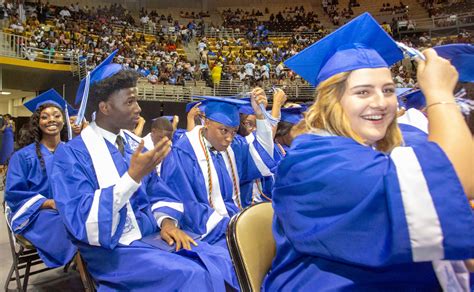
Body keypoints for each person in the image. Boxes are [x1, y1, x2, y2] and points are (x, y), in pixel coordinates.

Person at [265, 13, 474, 291]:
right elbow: (459, 178)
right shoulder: (314, 159)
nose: (381, 102)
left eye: (388, 90)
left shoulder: (399, 139)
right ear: (332, 101)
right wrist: (439, 94)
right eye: (363, 92)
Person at [51, 52, 238, 291]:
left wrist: (168, 224)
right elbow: (84, 223)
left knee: (222, 257)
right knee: (192, 275)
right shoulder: (71, 155)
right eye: (130, 102)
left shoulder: (130, 145)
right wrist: (132, 177)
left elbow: (161, 193)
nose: (139, 108)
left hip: (153, 237)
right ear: (104, 107)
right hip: (115, 251)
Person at [161, 93, 277, 247]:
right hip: (204, 231)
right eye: (223, 130)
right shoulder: (184, 152)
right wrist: (232, 227)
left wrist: (261, 115)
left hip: (233, 221)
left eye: (234, 131)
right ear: (206, 122)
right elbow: (187, 203)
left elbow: (262, 160)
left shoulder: (234, 147)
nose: (229, 138)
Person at [4, 89, 77, 268]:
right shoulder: (22, 157)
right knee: (70, 228)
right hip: (35, 213)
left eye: (56, 115)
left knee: (89, 221)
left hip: (68, 209)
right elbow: (14, 195)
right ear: (38, 123)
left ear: (63, 120)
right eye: (45, 117)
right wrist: (49, 203)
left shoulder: (73, 152)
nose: (51, 119)